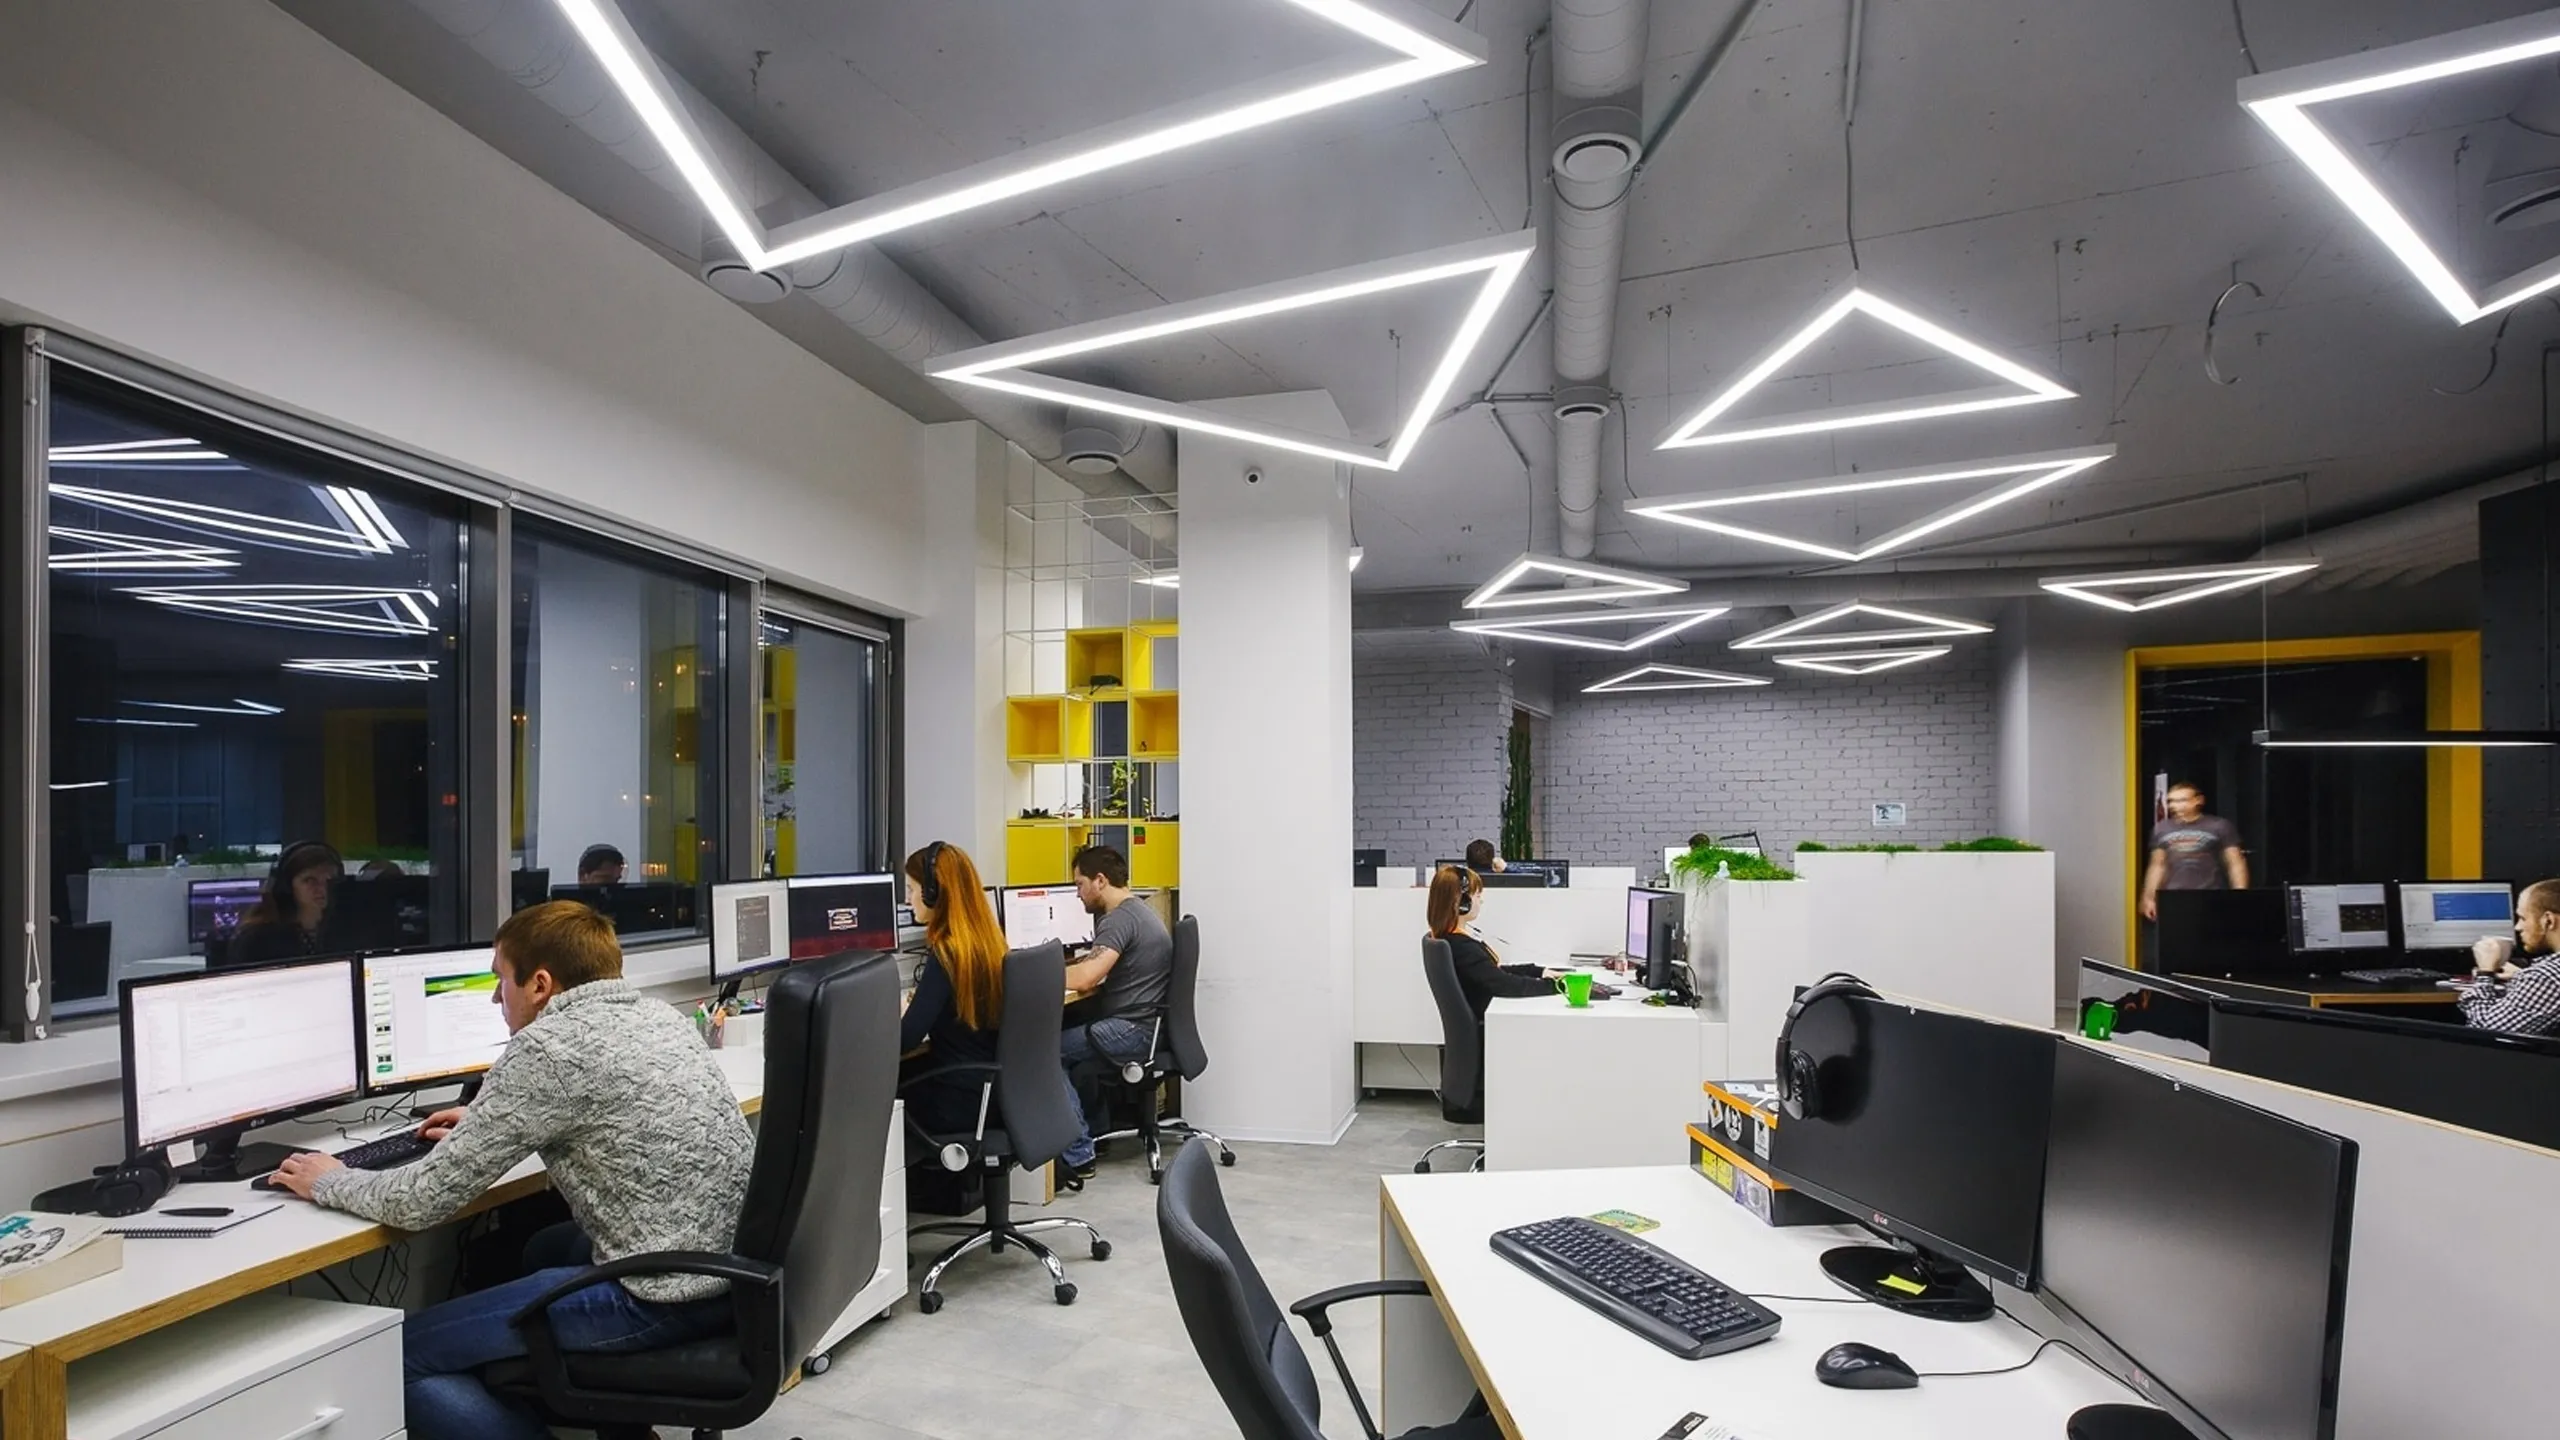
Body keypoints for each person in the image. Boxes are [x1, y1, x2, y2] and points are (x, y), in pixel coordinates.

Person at [269, 901, 751, 1440]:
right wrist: (492, 1121)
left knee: (398, 1360)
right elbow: (605, 1110)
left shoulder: (548, 1048)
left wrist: (329, 1180)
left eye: (501, 980)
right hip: (735, 1274)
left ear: (540, 984)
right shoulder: (658, 1016)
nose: (496, 998)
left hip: (664, 1295)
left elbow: (417, 1202)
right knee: (543, 1249)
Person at [1057, 844, 1173, 1179]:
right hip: (1150, 1025)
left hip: (1133, 1029)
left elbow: (1086, 978)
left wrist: (1034, 972)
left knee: (1046, 1051)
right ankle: (1097, 1135)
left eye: (1080, 884)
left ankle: (1078, 1153)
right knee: (1075, 1036)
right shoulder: (1139, 911)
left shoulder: (1119, 919)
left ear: (1100, 880)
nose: (1077, 894)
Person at [898, 840, 1008, 1138]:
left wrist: (897, 1015)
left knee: (879, 1091)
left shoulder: (947, 953)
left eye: (911, 889)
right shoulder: (989, 944)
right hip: (994, 1096)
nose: (908, 900)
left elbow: (906, 1039)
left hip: (959, 1102)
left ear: (934, 893)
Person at [1429, 865, 1559, 1019]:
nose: (1481, 901)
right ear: (1461, 902)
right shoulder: (1462, 947)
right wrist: (1556, 986)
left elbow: (1492, 972)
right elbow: (1504, 984)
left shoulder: (1451, 939)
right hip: (1493, 1023)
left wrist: (1537, 971)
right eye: (1478, 896)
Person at [2457, 879, 2560, 1036]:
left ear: (2549, 921)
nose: (2517, 927)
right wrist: (2522, 976)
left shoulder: (2546, 979)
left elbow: (2487, 1033)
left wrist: (2485, 973)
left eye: (2523, 918)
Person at [2138, 782, 2248, 921]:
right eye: (2171, 801)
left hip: (2210, 894)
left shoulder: (2219, 826)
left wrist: (2240, 896)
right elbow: (2157, 866)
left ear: (2198, 800)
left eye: (2182, 800)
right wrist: (2148, 897)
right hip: (2172, 896)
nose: (2175, 805)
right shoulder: (2161, 829)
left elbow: (2235, 863)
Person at [228, 841, 344, 965]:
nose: (322, 888)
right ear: (286, 886)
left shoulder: (339, 930)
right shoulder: (258, 939)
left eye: (330, 880)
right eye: (310, 880)